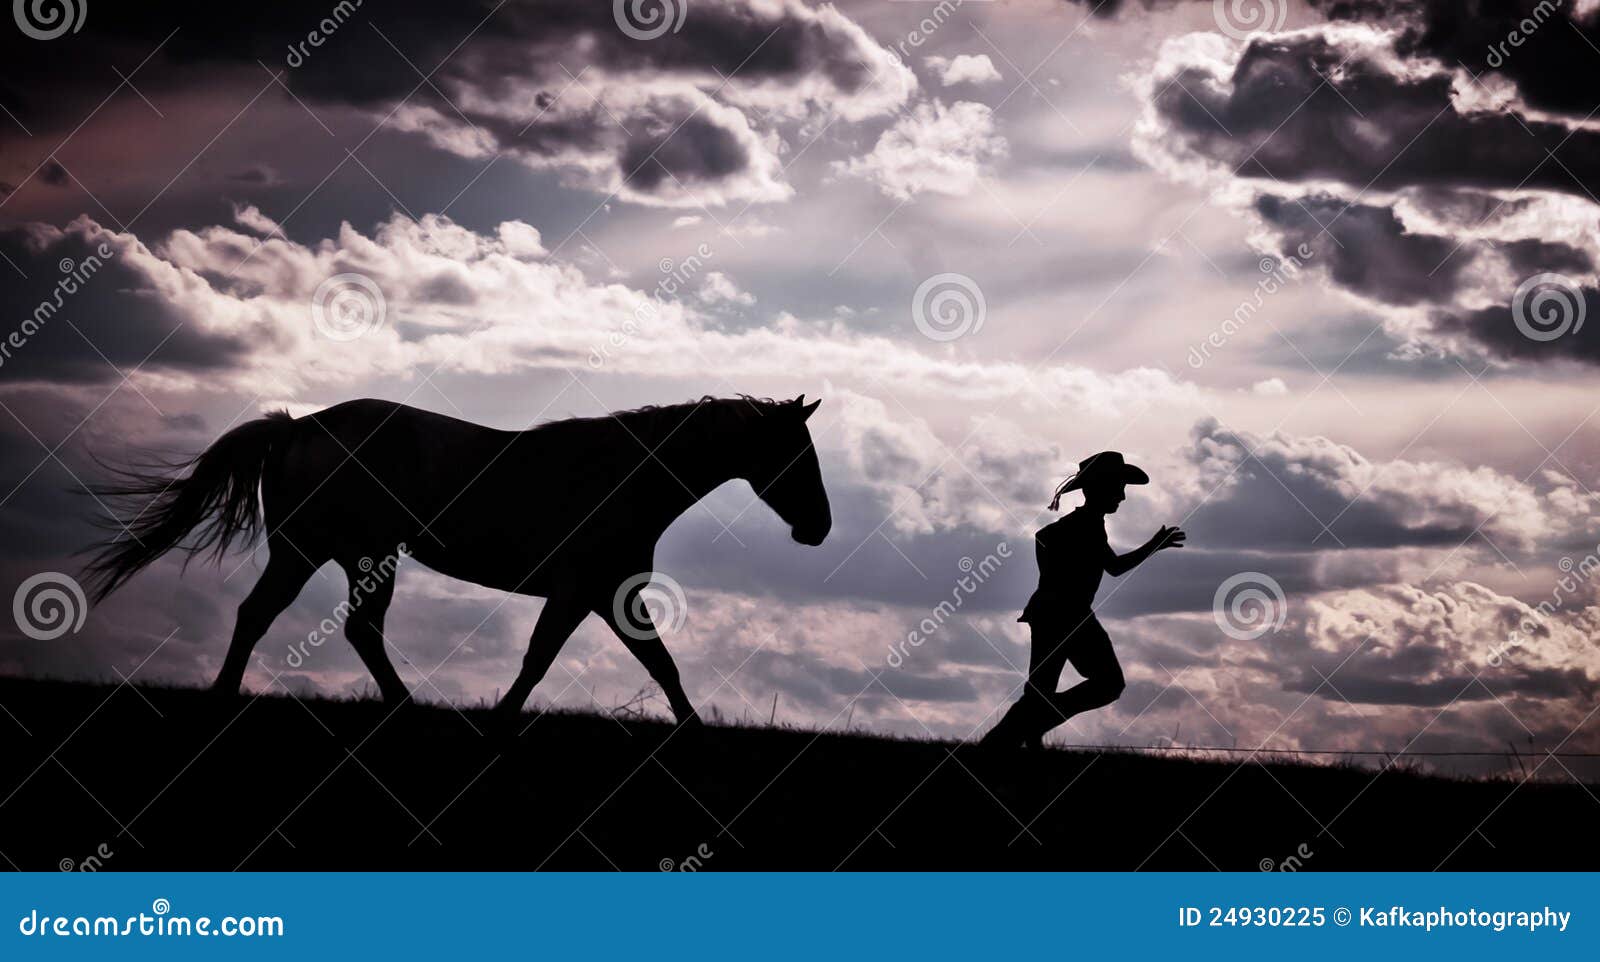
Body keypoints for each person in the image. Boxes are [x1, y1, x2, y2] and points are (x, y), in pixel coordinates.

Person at [980, 451, 1185, 750]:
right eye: (1118, 488)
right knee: (1105, 684)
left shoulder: (1081, 525)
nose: (1122, 497)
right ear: (1099, 488)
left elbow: (1043, 537)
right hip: (1067, 615)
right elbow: (1113, 568)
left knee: (1044, 689)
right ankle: (1016, 735)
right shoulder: (1085, 526)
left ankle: (1007, 740)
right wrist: (1154, 546)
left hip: (1058, 613)